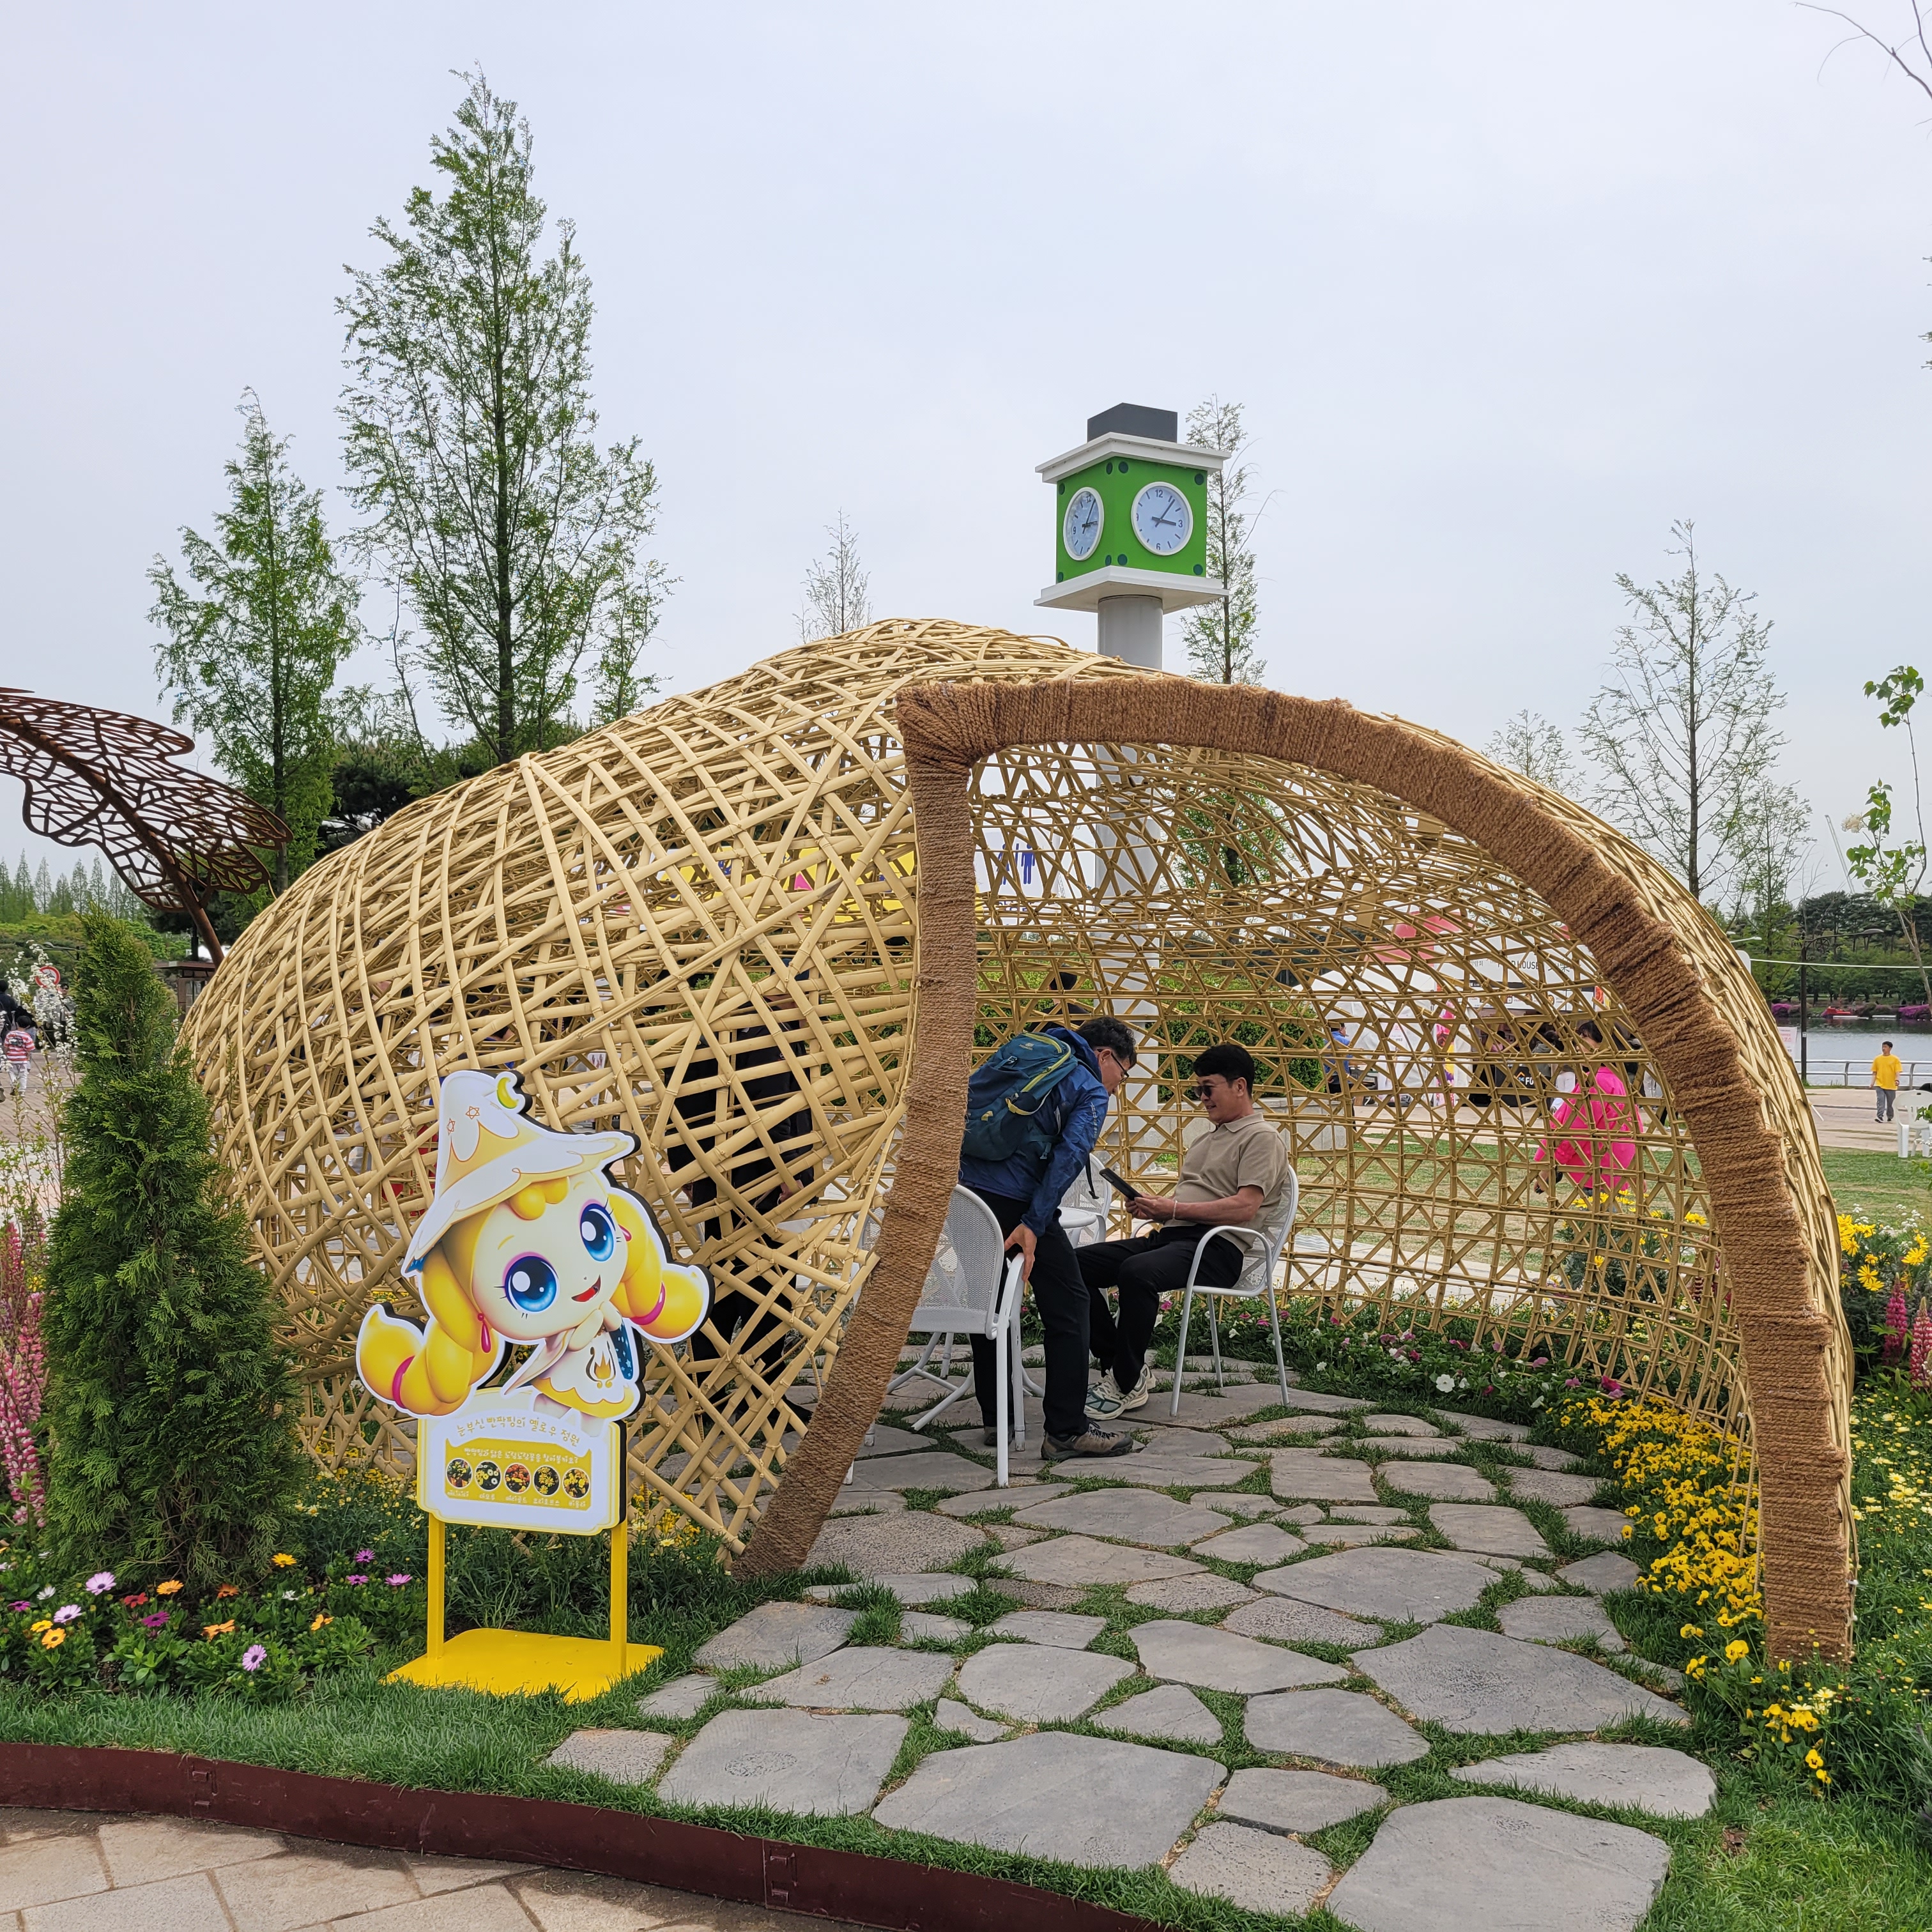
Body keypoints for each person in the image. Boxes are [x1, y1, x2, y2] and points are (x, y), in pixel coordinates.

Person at [1079, 1041, 1292, 1420]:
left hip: (1218, 1249)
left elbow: (1245, 1207)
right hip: (1174, 1238)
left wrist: (1173, 1208)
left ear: (1239, 1086)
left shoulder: (1261, 1137)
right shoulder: (1206, 1139)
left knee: (1137, 1273)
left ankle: (1124, 1382)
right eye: (1198, 1090)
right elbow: (1191, 1205)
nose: (1202, 1098)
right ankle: (1124, 1366)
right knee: (1071, 1265)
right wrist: (1156, 1209)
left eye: (1208, 1089)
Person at [958, 1014, 1138, 1457]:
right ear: (1105, 1056)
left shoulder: (1027, 1052)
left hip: (965, 1194)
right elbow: (1070, 1157)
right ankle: (1066, 1429)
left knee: (988, 1302)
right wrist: (1035, 1223)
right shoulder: (1088, 1086)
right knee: (1072, 1305)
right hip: (1016, 1202)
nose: (1117, 1088)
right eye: (1123, 1075)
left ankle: (999, 1418)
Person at [1874, 1039, 1903, 1124]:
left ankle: (1890, 1116)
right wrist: (1872, 1083)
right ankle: (1880, 1116)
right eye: (1883, 1047)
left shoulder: (1895, 1059)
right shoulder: (1877, 1059)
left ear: (1890, 1048)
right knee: (1880, 1101)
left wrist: (1897, 1080)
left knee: (1891, 1103)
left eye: (1885, 1047)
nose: (1884, 1048)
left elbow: (1897, 1072)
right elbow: (1874, 1072)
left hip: (1891, 1085)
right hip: (1880, 1084)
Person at [1, 1021, 32, 1097]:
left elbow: (6, 1046)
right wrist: (28, 1057)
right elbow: (29, 1049)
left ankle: (14, 1085)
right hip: (23, 1059)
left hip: (11, 1058)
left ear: (17, 1024)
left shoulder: (10, 1034)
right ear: (28, 1026)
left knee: (11, 1072)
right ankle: (22, 1091)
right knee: (23, 1075)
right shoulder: (27, 1036)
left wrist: (6, 1053)